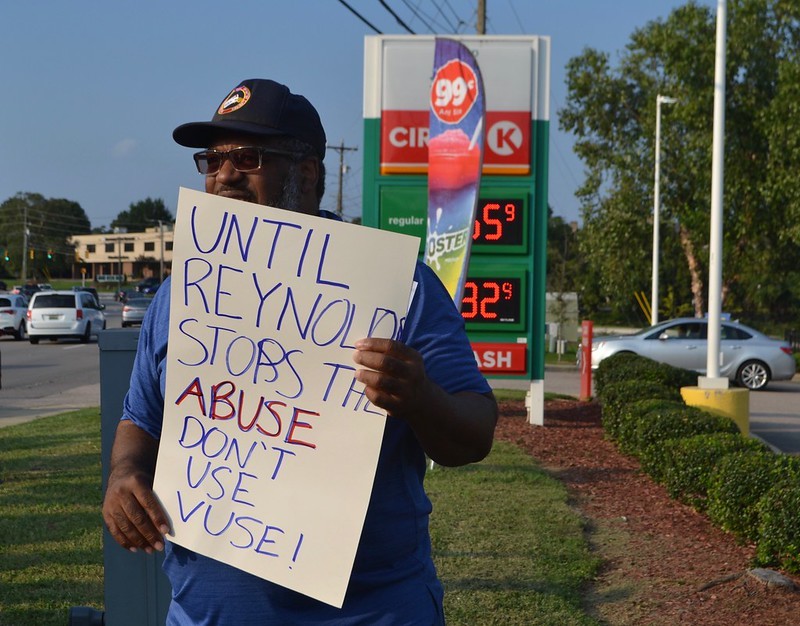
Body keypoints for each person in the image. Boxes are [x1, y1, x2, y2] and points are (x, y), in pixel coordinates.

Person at [102, 78, 498, 625]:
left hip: (372, 613)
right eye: (212, 160)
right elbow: (141, 418)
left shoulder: (396, 287)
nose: (225, 175)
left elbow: (475, 433)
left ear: (306, 174)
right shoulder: (181, 293)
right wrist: (124, 474)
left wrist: (421, 397)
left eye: (248, 156)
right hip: (203, 614)